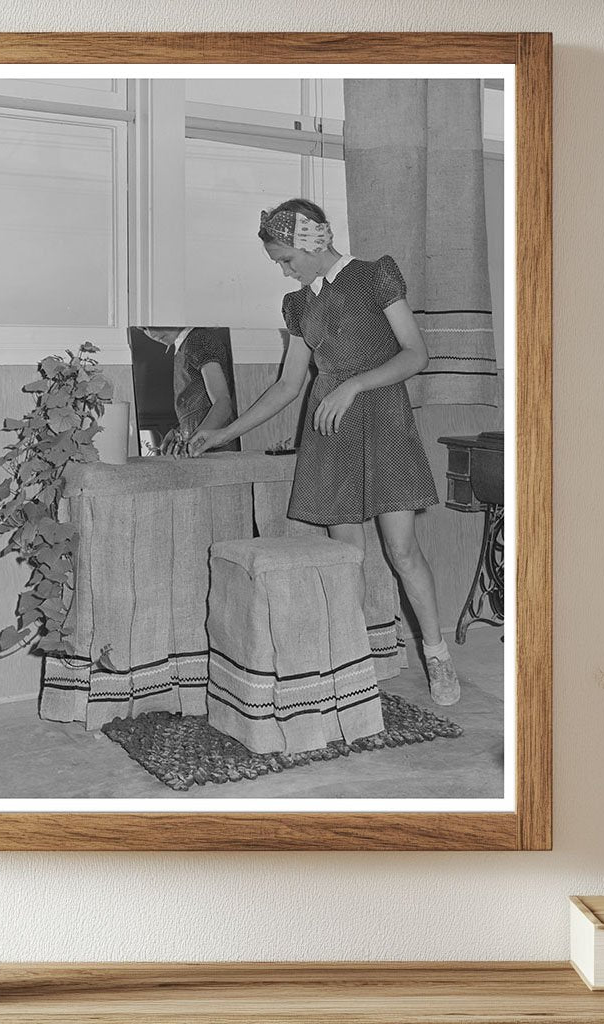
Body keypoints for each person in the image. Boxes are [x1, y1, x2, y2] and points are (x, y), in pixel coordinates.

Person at [187, 199, 460, 706]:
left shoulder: (375, 277)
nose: (285, 270)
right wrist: (222, 434)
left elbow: (416, 353)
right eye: (280, 263)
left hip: (384, 422)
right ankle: (353, 665)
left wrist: (353, 385)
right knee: (346, 558)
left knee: (402, 550)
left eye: (288, 258)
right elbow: (288, 385)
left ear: (315, 241)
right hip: (330, 433)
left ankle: (438, 655)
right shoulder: (298, 306)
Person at [141, 327, 239, 455]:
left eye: (151, 325)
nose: (151, 333)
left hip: (215, 450)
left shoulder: (197, 339)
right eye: (143, 328)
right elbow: (198, 406)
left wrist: (192, 443)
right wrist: (180, 431)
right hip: (204, 450)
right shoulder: (184, 346)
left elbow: (223, 404)